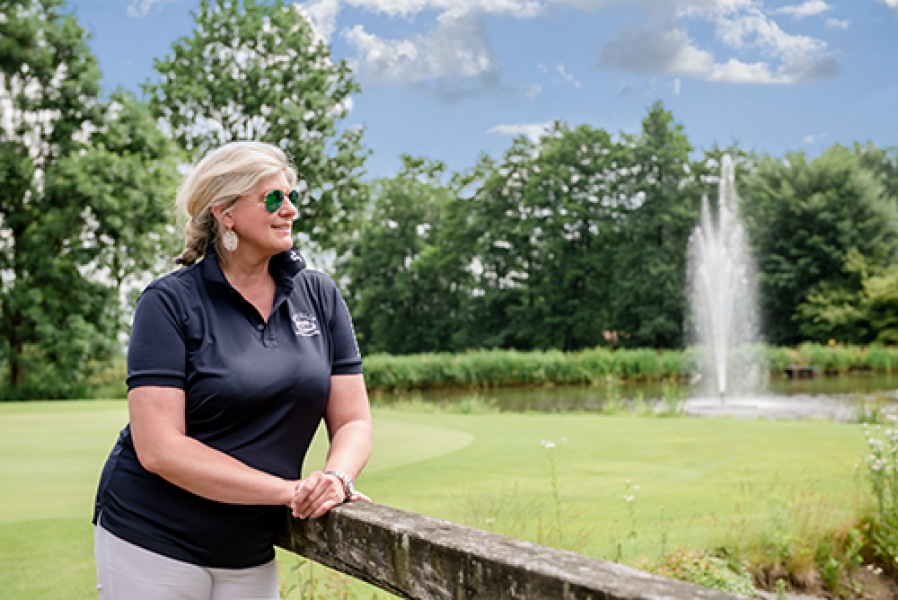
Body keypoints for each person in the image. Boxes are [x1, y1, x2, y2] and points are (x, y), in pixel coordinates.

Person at [92, 141, 372, 600]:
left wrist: (335, 480)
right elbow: (159, 448)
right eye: (273, 198)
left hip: (249, 547)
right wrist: (288, 491)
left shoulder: (320, 295)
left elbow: (354, 419)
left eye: (293, 197)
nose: (289, 210)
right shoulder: (168, 301)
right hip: (152, 537)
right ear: (225, 212)